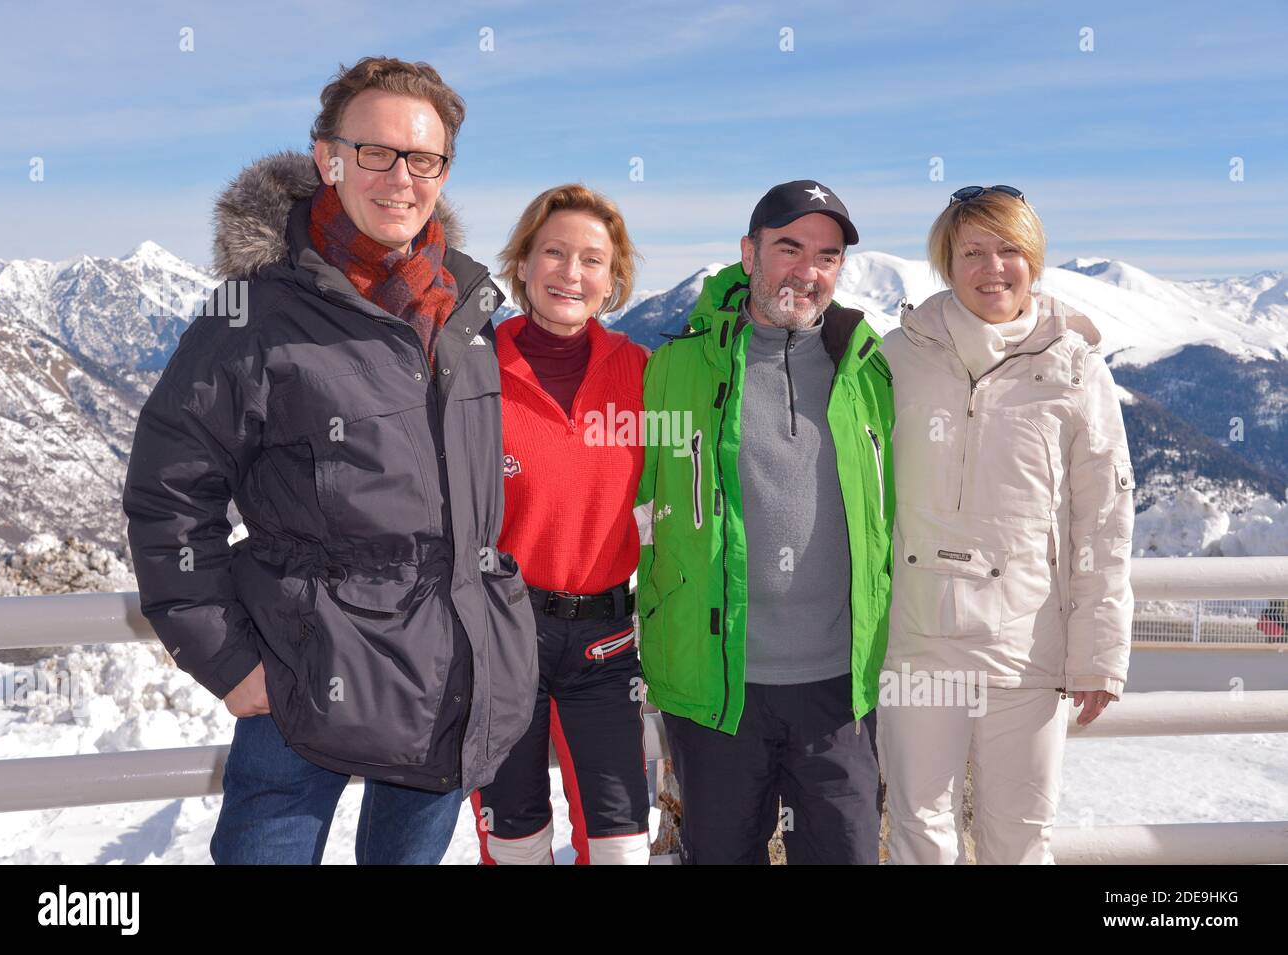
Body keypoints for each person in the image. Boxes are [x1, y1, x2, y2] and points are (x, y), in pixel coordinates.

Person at [121, 56, 537, 865]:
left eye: (424, 159)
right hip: (301, 680)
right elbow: (168, 494)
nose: (401, 178)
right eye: (376, 151)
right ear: (328, 158)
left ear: (444, 169)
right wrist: (229, 659)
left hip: (447, 673)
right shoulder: (257, 314)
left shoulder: (463, 309)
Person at [635, 181, 894, 864]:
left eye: (827, 256)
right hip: (718, 686)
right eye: (788, 247)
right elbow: (626, 499)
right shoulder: (673, 368)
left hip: (839, 689)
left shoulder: (870, 372)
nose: (806, 271)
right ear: (748, 254)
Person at [877, 185, 1134, 865]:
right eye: (973, 252)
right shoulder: (897, 357)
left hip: (1026, 648)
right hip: (916, 638)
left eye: (1010, 250)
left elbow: (1104, 519)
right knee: (917, 829)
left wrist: (1099, 650)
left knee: (1019, 838)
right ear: (946, 262)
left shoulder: (1075, 367)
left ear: (1035, 259)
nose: (994, 267)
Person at [469, 184, 651, 865]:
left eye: (592, 259)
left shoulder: (641, 372)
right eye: (553, 252)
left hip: (606, 641)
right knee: (514, 844)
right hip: (504, 632)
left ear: (613, 279)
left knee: (623, 847)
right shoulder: (476, 367)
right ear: (523, 264)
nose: (570, 273)